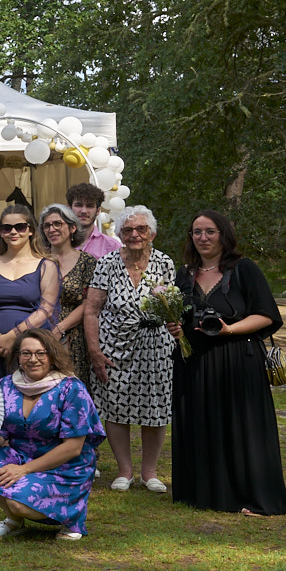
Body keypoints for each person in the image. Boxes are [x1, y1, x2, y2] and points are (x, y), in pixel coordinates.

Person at [172, 210, 286, 516]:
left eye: (209, 231)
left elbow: (266, 315)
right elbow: (181, 316)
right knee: (202, 424)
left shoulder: (244, 269)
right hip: (194, 362)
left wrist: (229, 329)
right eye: (196, 232)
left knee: (242, 429)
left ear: (223, 235)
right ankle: (207, 492)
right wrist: (175, 327)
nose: (202, 238)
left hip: (238, 359)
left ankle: (252, 496)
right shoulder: (184, 274)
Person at [0, 329, 105, 541]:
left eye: (41, 353)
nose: (33, 359)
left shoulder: (71, 389)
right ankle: (14, 520)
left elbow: (73, 448)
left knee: (17, 502)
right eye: (26, 353)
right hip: (21, 457)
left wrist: (23, 470)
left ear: (53, 357)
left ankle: (71, 517)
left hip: (65, 467)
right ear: (18, 357)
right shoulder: (6, 386)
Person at [83, 206, 177, 492]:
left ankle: (150, 473)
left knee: (156, 407)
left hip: (156, 346)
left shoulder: (164, 262)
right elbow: (91, 311)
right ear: (121, 235)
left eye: (141, 229)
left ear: (152, 234)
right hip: (114, 346)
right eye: (128, 230)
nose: (134, 234)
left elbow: (171, 306)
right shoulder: (107, 263)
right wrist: (95, 352)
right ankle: (124, 471)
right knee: (115, 405)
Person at [0, 204, 59, 381]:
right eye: (6, 228)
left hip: (31, 348)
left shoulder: (46, 265)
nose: (13, 232)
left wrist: (12, 337)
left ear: (31, 230)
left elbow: (46, 309)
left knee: (27, 395)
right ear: (0, 232)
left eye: (19, 227)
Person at [42, 204, 95, 377]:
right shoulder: (37, 260)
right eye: (47, 225)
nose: (52, 229)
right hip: (40, 334)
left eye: (58, 224)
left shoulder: (87, 262)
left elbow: (89, 303)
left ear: (72, 228)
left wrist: (60, 329)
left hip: (74, 337)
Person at [70, 182, 118, 258]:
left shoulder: (112, 246)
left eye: (89, 206)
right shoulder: (59, 243)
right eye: (79, 205)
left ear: (98, 211)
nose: (84, 211)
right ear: (69, 208)